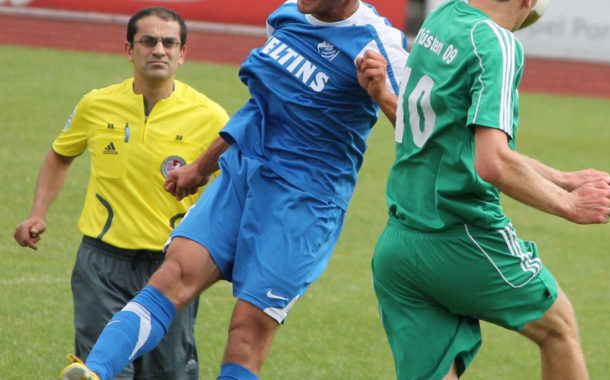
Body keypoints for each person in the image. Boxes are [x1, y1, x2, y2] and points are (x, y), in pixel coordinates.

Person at [58, 0, 408, 379]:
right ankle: (93, 373)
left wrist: (382, 95)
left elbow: (424, 136)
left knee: (246, 332)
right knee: (172, 275)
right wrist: (202, 167)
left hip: (304, 202)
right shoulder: (287, 15)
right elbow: (260, 106)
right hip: (244, 174)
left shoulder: (383, 45)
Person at [370, 0, 610, 379]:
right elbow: (492, 163)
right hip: (461, 236)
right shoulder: (497, 43)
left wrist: (563, 178)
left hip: (399, 248)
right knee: (558, 329)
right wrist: (570, 204)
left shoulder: (442, 18)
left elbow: (443, 135)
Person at [12, 6, 229, 380]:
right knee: (103, 371)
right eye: (148, 41)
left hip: (173, 264)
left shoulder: (211, 117)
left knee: (170, 373)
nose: (158, 49)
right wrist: (38, 212)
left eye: (169, 42)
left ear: (183, 54)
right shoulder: (97, 104)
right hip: (102, 264)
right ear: (129, 50)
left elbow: (237, 184)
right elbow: (60, 154)